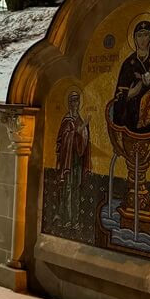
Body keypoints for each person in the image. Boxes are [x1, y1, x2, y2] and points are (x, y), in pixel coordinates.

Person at [55, 91, 91, 228]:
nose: (76, 104)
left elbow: (83, 137)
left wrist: (84, 129)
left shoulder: (79, 119)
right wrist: (80, 129)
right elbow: (65, 138)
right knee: (68, 188)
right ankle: (66, 218)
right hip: (68, 160)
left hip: (78, 159)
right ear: (69, 103)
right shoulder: (67, 120)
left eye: (77, 101)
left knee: (76, 188)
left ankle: (75, 220)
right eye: (73, 101)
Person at [113, 21, 150, 131]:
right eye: (139, 35)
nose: (142, 39)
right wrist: (131, 93)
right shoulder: (128, 63)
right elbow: (119, 94)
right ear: (135, 39)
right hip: (131, 114)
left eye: (145, 35)